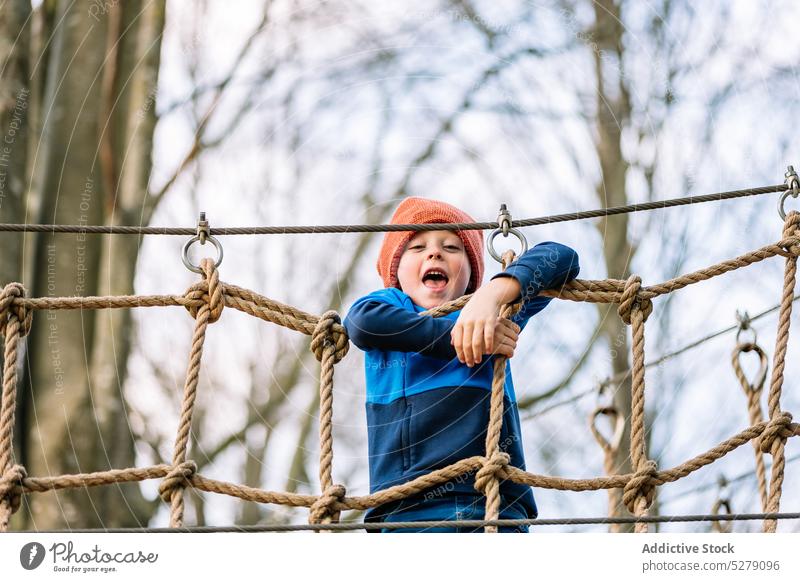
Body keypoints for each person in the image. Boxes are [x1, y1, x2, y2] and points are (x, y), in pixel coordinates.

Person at [343, 197, 580, 532]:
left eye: (452, 247)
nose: (435, 252)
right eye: (417, 247)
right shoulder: (390, 306)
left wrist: (494, 294)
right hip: (410, 513)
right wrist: (458, 338)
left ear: (471, 273)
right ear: (394, 271)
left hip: (498, 505)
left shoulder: (494, 313)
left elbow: (563, 258)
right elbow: (362, 323)